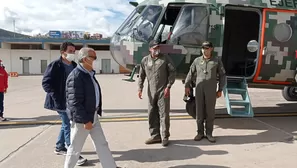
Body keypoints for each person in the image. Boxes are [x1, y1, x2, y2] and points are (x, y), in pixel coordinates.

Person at [64, 47, 121, 168]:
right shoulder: (76, 76)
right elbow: (74, 102)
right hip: (83, 119)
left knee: (102, 144)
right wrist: (85, 120)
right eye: (94, 58)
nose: (96, 60)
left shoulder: (89, 74)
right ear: (85, 59)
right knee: (75, 148)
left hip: (93, 115)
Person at [41, 42, 87, 165]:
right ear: (63, 52)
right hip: (60, 101)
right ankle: (73, 153)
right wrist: (56, 98)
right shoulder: (55, 65)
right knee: (68, 125)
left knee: (65, 124)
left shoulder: (74, 65)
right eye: (70, 51)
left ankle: (59, 146)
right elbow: (46, 83)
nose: (73, 53)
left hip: (72, 101)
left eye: (74, 51)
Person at [184, 41, 226, 143]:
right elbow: (190, 73)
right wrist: (187, 85)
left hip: (211, 89)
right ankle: (200, 133)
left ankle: (209, 134)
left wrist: (220, 89)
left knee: (210, 112)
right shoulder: (197, 61)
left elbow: (222, 75)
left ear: (211, 49)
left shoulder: (216, 61)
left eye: (207, 48)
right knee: (199, 111)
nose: (204, 50)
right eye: (203, 48)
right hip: (199, 89)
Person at [138, 40, 176, 146]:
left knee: (164, 114)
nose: (157, 50)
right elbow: (141, 75)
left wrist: (168, 86)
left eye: (158, 48)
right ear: (150, 49)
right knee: (152, 114)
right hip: (151, 91)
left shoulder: (165, 59)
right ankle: (155, 136)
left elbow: (172, 72)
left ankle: (165, 137)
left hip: (163, 91)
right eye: (154, 48)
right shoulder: (145, 60)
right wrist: (140, 88)